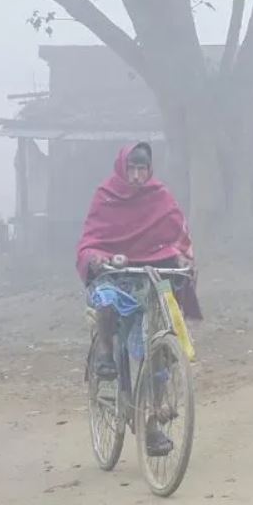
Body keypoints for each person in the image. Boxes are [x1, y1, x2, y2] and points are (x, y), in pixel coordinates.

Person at [75, 143, 201, 456]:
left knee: (157, 353)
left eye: (142, 169)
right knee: (105, 299)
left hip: (150, 279)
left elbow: (178, 236)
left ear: (149, 169)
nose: (136, 176)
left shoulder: (160, 196)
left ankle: (152, 426)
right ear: (122, 168)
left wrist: (184, 259)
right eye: (131, 169)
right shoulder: (106, 196)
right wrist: (98, 259)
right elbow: (91, 239)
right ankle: (105, 355)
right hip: (116, 276)